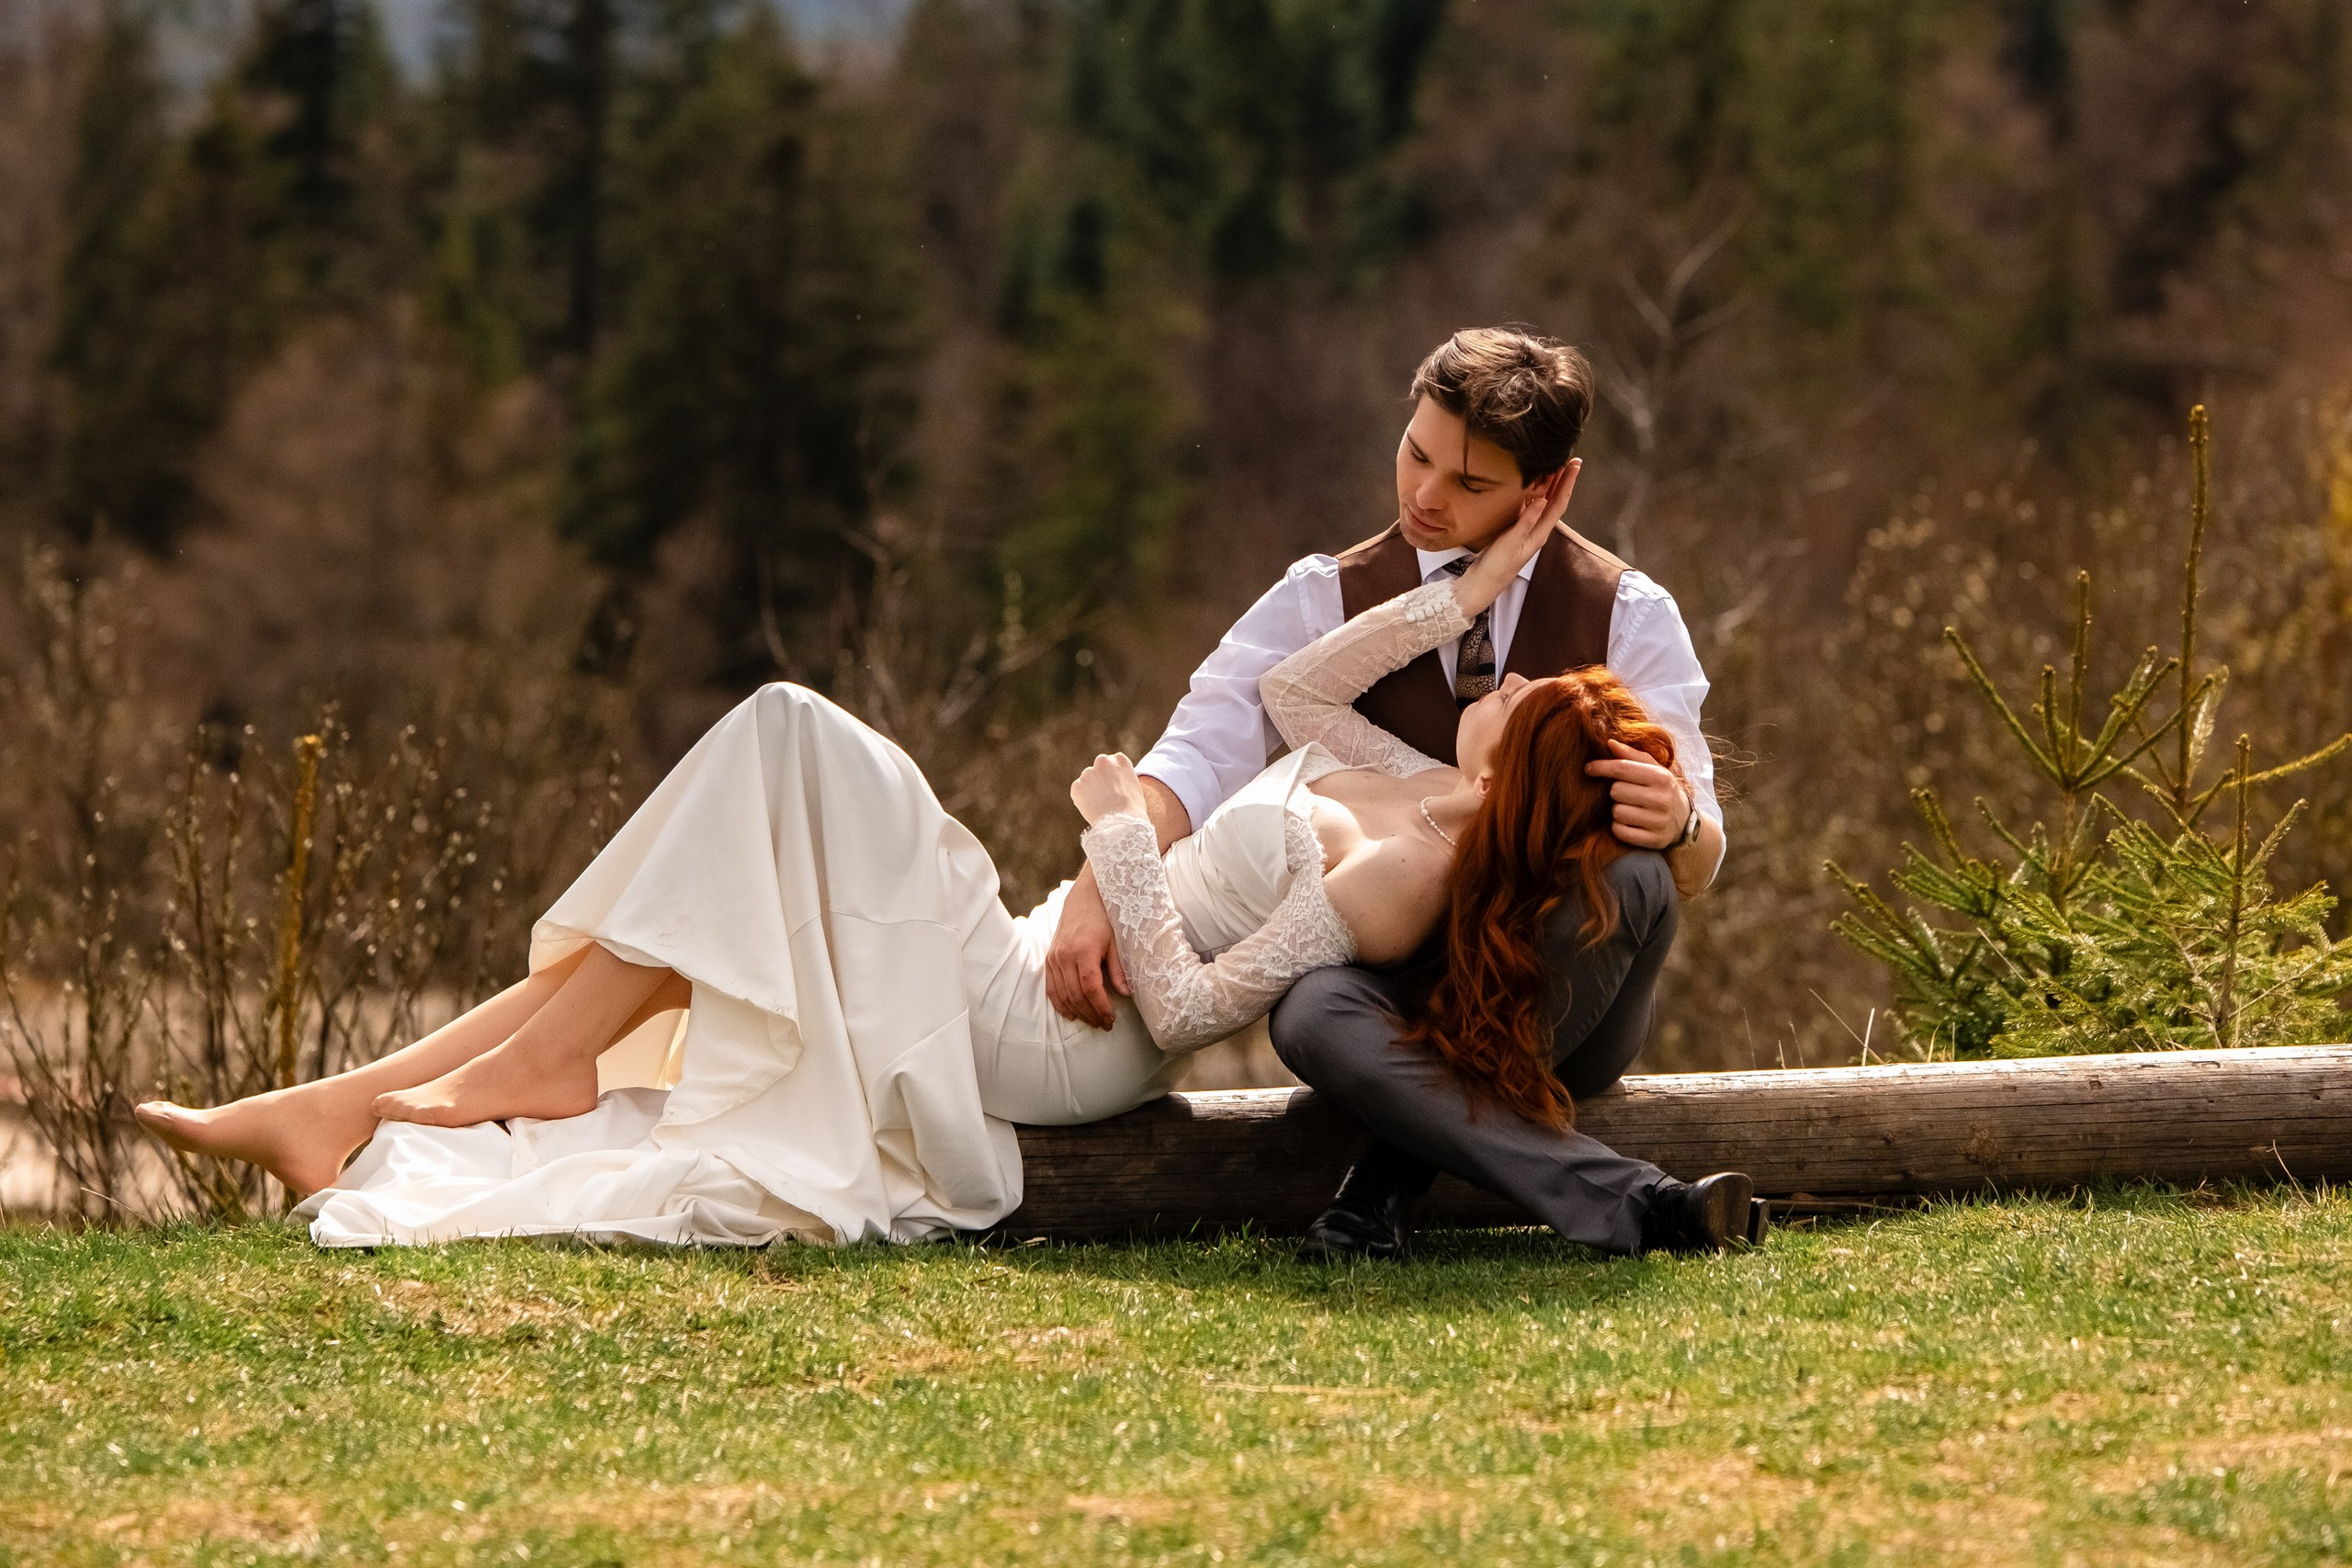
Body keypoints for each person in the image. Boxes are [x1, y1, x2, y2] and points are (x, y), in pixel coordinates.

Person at [129, 496, 1582, 1246]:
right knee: (771, 778)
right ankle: (343, 1108)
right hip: (1024, 956)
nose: (1500, 673)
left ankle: (494, 1078)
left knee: (790, 740)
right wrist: (1475, 575)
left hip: (1057, 1046)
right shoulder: (1400, 777)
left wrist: (1120, 838)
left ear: (1517, 770)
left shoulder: (1408, 877)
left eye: (1524, 691)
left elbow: (1203, 1009)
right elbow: (1302, 690)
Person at [1046, 322, 1747, 1258]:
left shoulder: (1626, 615)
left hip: (1553, 987)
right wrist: (1101, 888)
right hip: (1388, 984)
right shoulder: (1319, 597)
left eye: (1468, 483)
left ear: (1547, 487)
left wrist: (1684, 825)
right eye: (1416, 454)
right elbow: (1199, 753)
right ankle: (1635, 1203)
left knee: (1634, 880)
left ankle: (1381, 1180)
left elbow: (1699, 862)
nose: (1424, 494)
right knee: (1308, 1011)